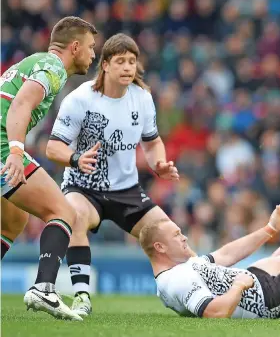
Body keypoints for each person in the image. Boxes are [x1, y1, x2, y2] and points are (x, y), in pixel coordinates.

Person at [45, 33, 179, 317]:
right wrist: (75, 158)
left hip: (126, 189)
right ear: (105, 64)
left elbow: (152, 141)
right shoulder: (79, 99)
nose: (128, 67)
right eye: (121, 61)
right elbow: (52, 147)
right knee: (75, 216)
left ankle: (200, 295)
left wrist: (160, 164)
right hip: (84, 187)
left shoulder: (142, 99)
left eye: (132, 61)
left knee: (172, 237)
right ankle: (82, 295)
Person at [0, 16, 97, 321]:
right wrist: (16, 152)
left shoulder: (34, 62)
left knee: (11, 221)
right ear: (75, 46)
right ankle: (44, 287)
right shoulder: (53, 68)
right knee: (64, 212)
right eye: (91, 47)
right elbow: (20, 106)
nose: (93, 55)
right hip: (3, 147)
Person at [141, 205, 280, 319]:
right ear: (160, 247)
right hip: (266, 300)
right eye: (177, 235)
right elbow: (215, 313)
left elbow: (226, 254)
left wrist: (270, 229)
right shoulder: (176, 280)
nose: (184, 237)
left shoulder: (182, 268)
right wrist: (238, 286)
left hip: (256, 279)